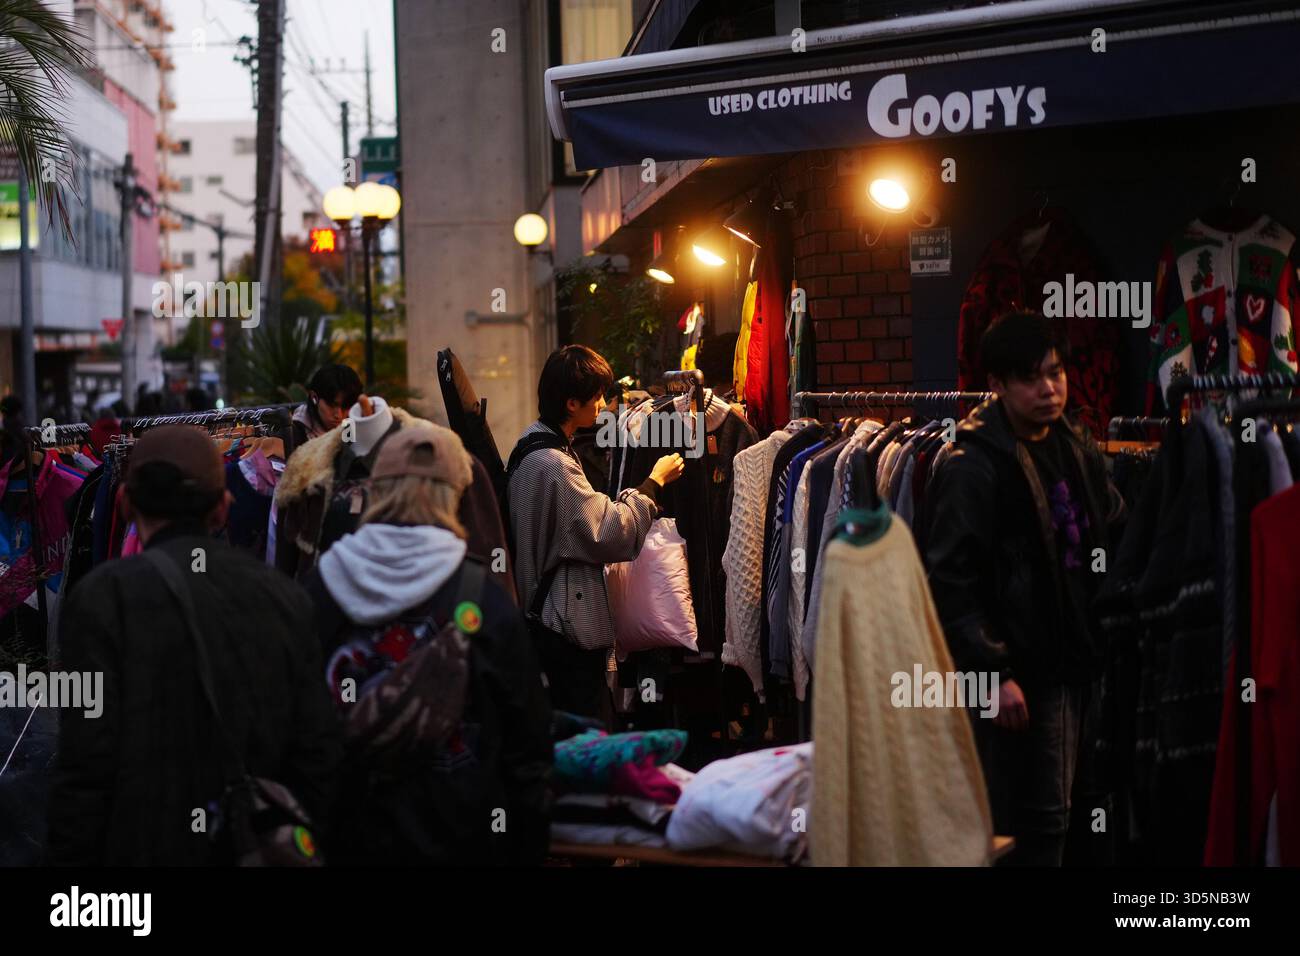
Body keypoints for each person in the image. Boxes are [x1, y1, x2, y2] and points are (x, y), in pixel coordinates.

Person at [47, 425, 340, 865]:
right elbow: (317, 757)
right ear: (222, 509)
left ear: (125, 505)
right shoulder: (286, 599)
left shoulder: (102, 600)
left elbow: (84, 769)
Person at [924, 311, 1123, 867]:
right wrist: (994, 670)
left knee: (1086, 806)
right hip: (1030, 671)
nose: (1050, 388)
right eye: (1031, 378)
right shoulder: (971, 462)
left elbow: (1107, 524)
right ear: (997, 385)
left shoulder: (1072, 441)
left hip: (1081, 656)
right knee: (1041, 821)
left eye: (1056, 373)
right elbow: (948, 579)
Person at [303, 424, 552, 865]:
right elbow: (527, 751)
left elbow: (291, 730)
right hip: (461, 842)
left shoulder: (319, 589)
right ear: (456, 494)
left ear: (376, 490)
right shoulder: (485, 601)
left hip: (344, 842)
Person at [508, 345, 685, 718]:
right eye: (597, 396)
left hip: (546, 619)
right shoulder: (553, 464)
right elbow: (609, 532)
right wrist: (654, 483)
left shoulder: (533, 445)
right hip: (563, 629)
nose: (603, 404)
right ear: (572, 403)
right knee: (585, 730)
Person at [293, 364, 363, 448]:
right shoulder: (295, 433)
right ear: (314, 398)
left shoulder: (349, 423)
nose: (339, 415)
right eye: (332, 405)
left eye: (346, 406)